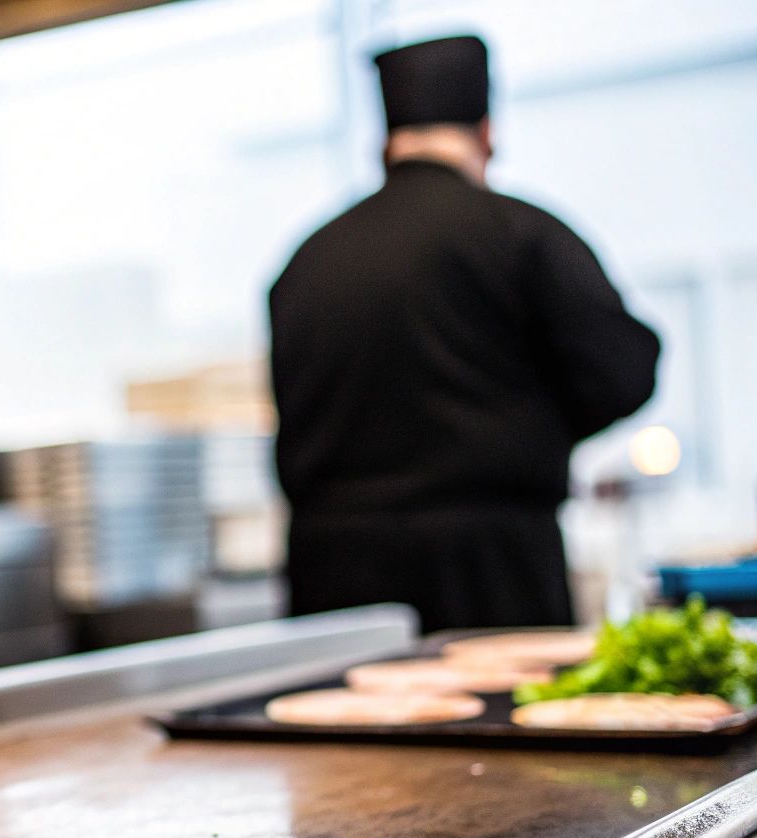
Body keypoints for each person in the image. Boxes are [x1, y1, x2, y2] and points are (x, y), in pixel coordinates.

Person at [268, 35, 660, 632]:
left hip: (332, 575)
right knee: (495, 720)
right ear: (487, 135)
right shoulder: (521, 234)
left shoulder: (306, 261)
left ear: (385, 145)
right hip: (490, 569)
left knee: (341, 725)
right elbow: (624, 372)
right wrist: (528, 420)